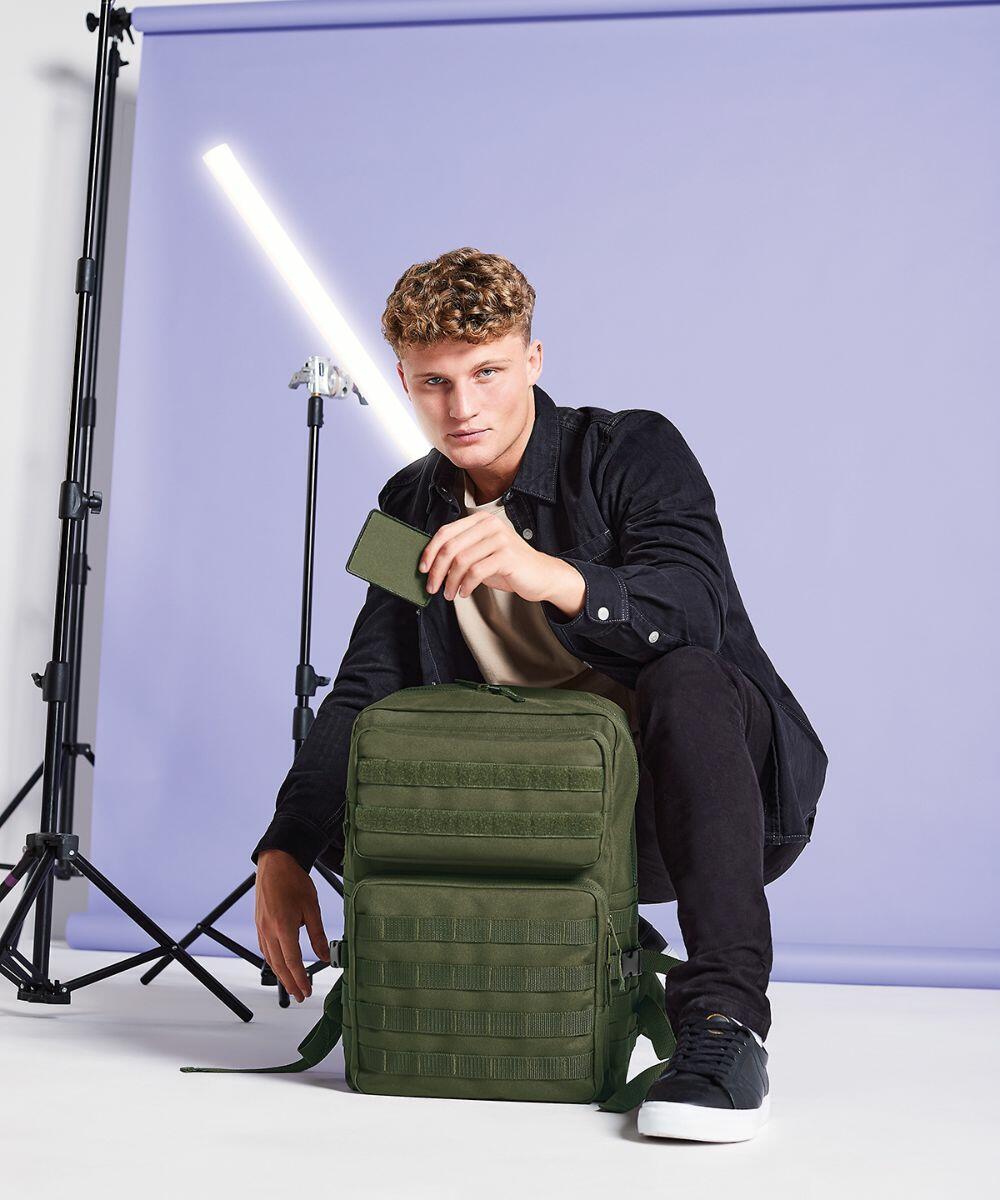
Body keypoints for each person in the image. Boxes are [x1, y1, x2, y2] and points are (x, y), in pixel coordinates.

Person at [252, 247, 828, 1142]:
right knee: (395, 739)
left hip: (700, 801)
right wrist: (284, 847)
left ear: (534, 360)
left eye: (486, 371)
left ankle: (721, 1026)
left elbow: (693, 606)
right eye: (433, 382)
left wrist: (553, 575)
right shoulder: (407, 503)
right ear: (403, 381)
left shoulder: (633, 447)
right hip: (539, 810)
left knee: (688, 673)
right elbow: (367, 680)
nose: (462, 406)